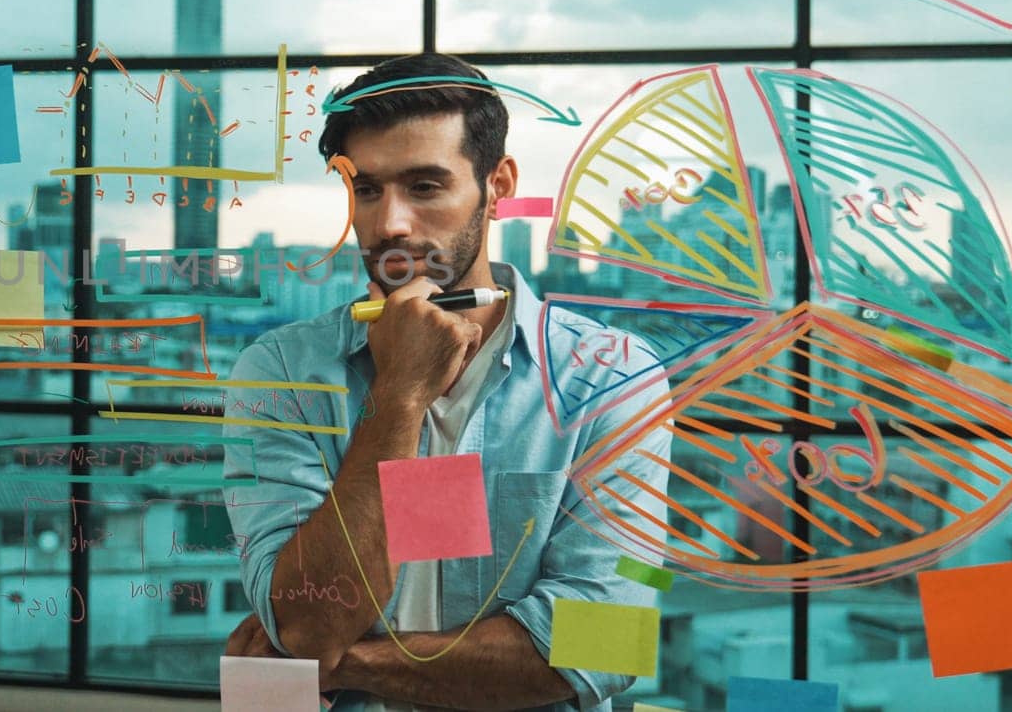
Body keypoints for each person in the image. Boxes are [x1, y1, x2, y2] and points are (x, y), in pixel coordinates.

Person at [221, 53, 673, 712]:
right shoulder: (285, 370)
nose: (390, 224)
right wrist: (400, 396)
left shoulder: (609, 378)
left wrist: (348, 665)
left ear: (498, 184)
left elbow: (606, 642)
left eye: (425, 187)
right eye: (366, 190)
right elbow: (310, 626)